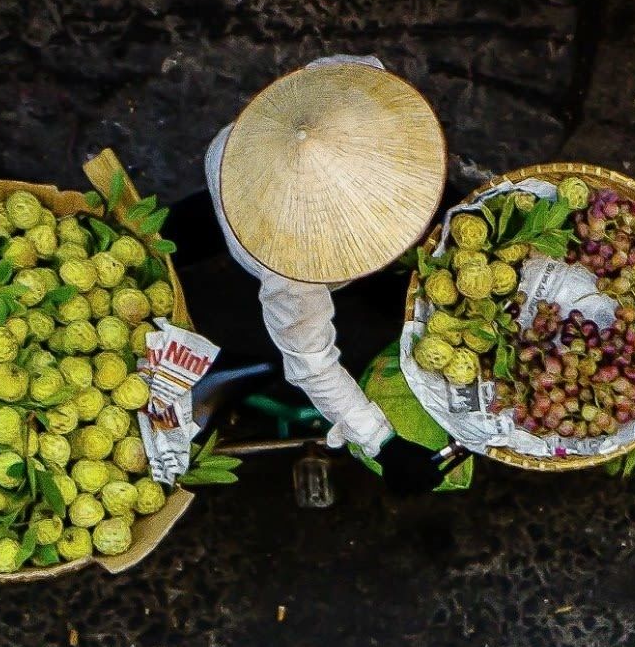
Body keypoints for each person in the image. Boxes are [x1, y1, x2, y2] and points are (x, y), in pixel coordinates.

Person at [177, 56, 449, 482]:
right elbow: (312, 364)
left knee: (200, 220)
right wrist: (381, 439)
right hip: (244, 200)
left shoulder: (346, 86)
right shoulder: (292, 273)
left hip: (233, 157)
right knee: (202, 234)